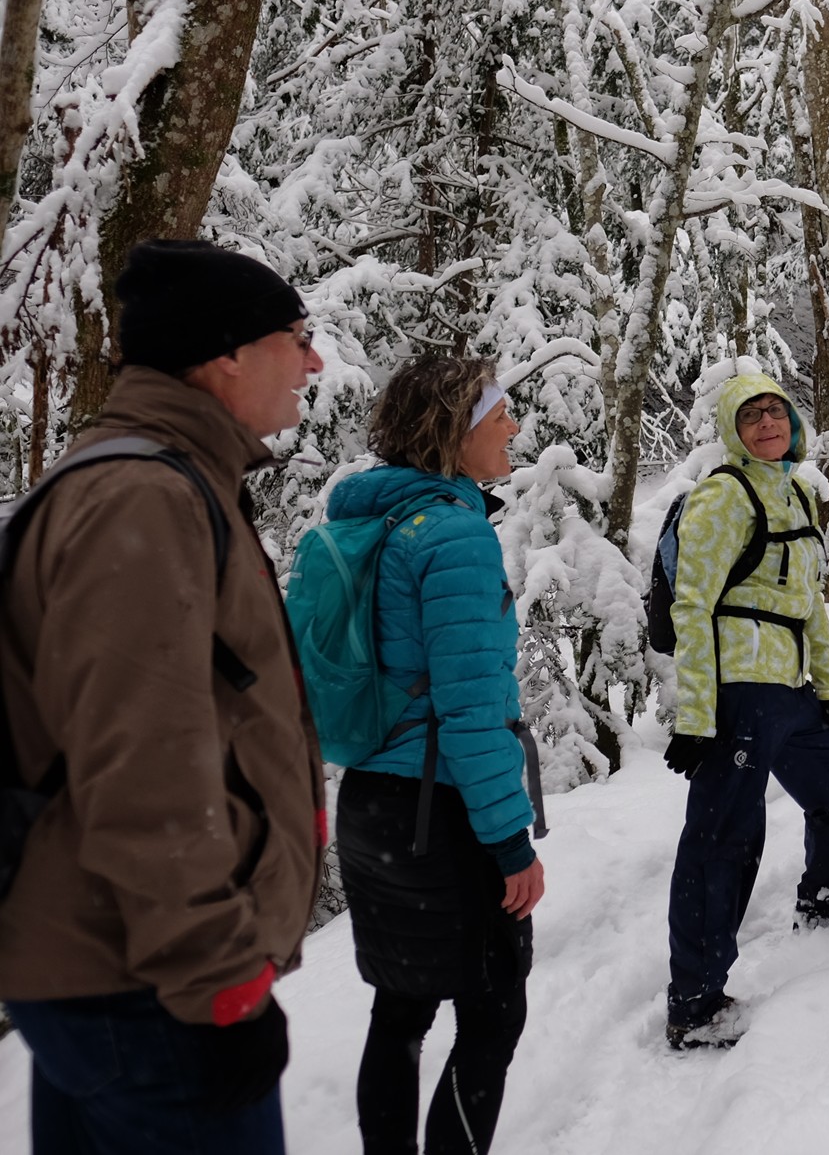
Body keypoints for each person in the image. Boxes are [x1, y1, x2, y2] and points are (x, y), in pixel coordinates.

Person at [0, 239, 325, 1154]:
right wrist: (215, 980)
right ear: (225, 354)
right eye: (296, 337)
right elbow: (144, 768)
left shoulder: (161, 479)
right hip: (142, 984)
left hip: (108, 968)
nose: (314, 360)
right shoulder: (145, 496)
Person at [326, 356, 545, 1152]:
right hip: (440, 811)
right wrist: (510, 843)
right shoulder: (453, 534)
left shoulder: (378, 518)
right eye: (500, 416)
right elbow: (471, 713)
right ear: (456, 431)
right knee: (494, 1011)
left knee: (401, 1008)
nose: (514, 428)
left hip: (374, 803)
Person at [663, 372, 829, 1048]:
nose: (765, 423)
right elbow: (691, 604)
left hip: (790, 689)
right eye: (749, 415)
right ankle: (694, 1002)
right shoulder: (724, 496)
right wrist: (696, 714)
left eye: (775, 411)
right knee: (724, 838)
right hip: (737, 691)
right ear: (733, 431)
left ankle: (822, 900)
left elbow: (809, 604)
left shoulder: (798, 493)